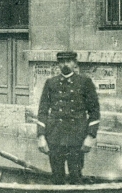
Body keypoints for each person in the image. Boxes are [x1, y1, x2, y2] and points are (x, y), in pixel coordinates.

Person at [36, 51, 100, 184]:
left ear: (75, 63)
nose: (65, 64)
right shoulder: (50, 83)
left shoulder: (85, 82)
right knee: (57, 177)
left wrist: (90, 136)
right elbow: (42, 111)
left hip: (76, 138)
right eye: (62, 61)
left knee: (76, 176)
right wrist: (41, 136)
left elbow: (94, 111)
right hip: (55, 137)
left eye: (69, 61)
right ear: (58, 64)